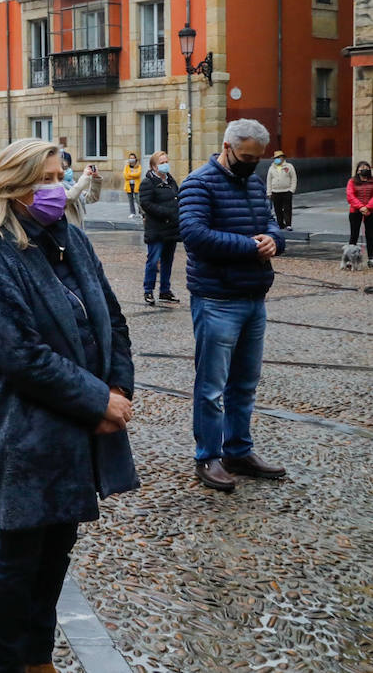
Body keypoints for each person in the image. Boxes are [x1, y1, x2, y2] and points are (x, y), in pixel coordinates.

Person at [0, 138, 138, 673]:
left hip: (77, 424)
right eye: (46, 179)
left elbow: (113, 319)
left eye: (59, 176)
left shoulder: (73, 242)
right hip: (27, 428)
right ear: (12, 190)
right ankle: (12, 662)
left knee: (57, 548)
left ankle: (38, 657)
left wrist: (120, 388)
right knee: (22, 556)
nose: (57, 189)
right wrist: (97, 400)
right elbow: (23, 357)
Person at [179, 118, 287, 492]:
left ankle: (238, 450)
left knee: (244, 384)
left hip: (253, 297)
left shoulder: (254, 183)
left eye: (256, 158)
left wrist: (275, 242)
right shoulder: (199, 183)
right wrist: (249, 247)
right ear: (227, 148)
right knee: (211, 387)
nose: (251, 163)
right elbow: (193, 235)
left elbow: (271, 224)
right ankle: (208, 456)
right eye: (245, 156)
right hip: (216, 299)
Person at [138, 151, 180, 306]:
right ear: (154, 166)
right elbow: (146, 204)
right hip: (156, 229)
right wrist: (166, 212)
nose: (165, 165)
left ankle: (165, 290)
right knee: (153, 259)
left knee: (168, 260)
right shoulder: (148, 182)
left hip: (171, 228)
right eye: (161, 162)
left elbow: (177, 197)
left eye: (166, 161)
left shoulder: (171, 180)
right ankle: (148, 290)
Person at [265, 151, 296, 231]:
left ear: (283, 158)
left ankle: (288, 224)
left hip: (286, 191)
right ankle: (280, 224)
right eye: (275, 158)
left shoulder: (289, 166)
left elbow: (293, 178)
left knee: (287, 208)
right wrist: (269, 192)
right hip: (275, 192)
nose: (277, 159)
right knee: (277, 209)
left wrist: (291, 190)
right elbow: (269, 180)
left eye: (279, 157)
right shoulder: (271, 168)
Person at [349, 161, 373, 264]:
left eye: (366, 168)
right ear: (357, 170)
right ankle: (350, 258)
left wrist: (368, 207)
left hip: (370, 211)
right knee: (354, 235)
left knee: (371, 235)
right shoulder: (352, 181)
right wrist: (361, 207)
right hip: (355, 211)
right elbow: (350, 195)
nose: (364, 170)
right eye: (362, 168)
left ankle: (371, 257)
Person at [65, 163, 102, 230]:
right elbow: (70, 197)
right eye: (64, 168)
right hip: (67, 231)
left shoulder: (72, 184)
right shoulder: (55, 186)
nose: (68, 170)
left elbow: (92, 197)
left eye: (68, 167)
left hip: (77, 231)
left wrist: (95, 178)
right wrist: (85, 176)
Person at [123, 153, 142, 218]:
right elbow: (125, 176)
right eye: (130, 158)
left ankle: (141, 213)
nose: (132, 159)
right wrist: (133, 174)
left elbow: (138, 174)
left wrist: (130, 174)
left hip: (136, 185)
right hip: (129, 185)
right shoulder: (126, 166)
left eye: (133, 158)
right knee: (130, 200)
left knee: (138, 200)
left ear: (135, 159)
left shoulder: (138, 166)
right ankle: (132, 213)